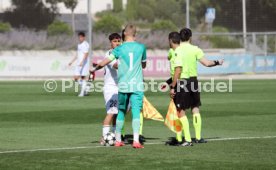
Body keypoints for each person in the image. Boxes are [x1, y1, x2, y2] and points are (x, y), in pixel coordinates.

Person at [91, 24, 147, 149]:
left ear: (124, 34)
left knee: (120, 111)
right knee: (135, 112)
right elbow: (143, 65)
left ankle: (117, 140)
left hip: (122, 85)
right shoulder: (141, 47)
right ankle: (136, 141)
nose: (117, 42)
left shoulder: (119, 50)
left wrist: (95, 68)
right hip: (136, 85)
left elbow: (105, 62)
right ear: (135, 34)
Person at [172, 28, 224, 146]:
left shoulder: (178, 50)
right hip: (194, 81)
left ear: (180, 37)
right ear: (190, 37)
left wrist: (173, 85)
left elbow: (178, 69)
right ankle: (199, 137)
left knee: (181, 110)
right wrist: (217, 62)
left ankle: (188, 140)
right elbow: (206, 63)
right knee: (195, 108)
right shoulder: (195, 49)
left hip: (183, 82)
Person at [100, 33, 121, 145]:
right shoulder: (110, 53)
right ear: (110, 43)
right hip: (110, 88)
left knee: (117, 113)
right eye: (114, 41)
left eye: (118, 41)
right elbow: (116, 65)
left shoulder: (121, 53)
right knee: (111, 112)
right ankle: (104, 137)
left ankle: (113, 135)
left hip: (119, 87)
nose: (117, 43)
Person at [68, 32, 90, 97]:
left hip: (84, 64)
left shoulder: (85, 44)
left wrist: (82, 62)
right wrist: (71, 61)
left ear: (84, 37)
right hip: (79, 63)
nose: (80, 38)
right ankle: (86, 87)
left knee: (83, 77)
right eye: (79, 37)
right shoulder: (79, 45)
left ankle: (82, 93)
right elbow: (78, 54)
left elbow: (86, 54)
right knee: (75, 78)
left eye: (81, 37)